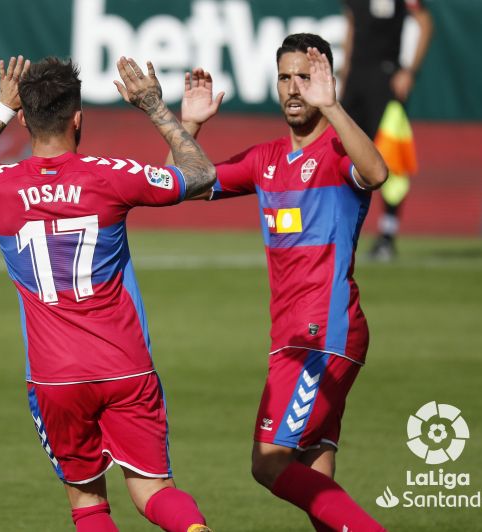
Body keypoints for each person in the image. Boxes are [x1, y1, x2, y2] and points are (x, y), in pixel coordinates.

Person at [0, 55, 217, 532]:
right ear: (78, 118)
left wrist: (0, 111)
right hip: (126, 366)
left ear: (25, 117)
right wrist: (156, 108)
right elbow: (200, 174)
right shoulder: (111, 175)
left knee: (88, 505)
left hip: (55, 377)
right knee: (153, 490)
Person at [171, 34, 388, 531]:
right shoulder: (263, 159)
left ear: (326, 80)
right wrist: (188, 127)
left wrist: (331, 107)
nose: (295, 88)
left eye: (305, 77)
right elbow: (176, 187)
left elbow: (377, 172)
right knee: (313, 470)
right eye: (286, 77)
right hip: (292, 334)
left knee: (267, 462)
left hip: (322, 331)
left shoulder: (338, 150)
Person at [340, 0, 433, 260]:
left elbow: (425, 23)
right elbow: (351, 25)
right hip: (356, 78)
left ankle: (387, 234)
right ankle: (339, 228)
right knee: (342, 151)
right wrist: (345, 71)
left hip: (385, 78)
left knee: (389, 157)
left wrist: (410, 71)